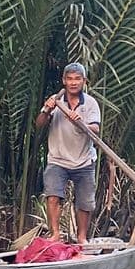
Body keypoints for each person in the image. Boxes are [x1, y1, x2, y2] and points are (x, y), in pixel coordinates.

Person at [36, 61, 101, 244]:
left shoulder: (90, 103)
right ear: (64, 80)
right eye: (70, 79)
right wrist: (47, 108)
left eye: (77, 79)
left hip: (84, 161)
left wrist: (81, 123)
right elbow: (39, 124)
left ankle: (82, 238)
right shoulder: (56, 100)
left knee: (85, 202)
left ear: (84, 81)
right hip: (57, 159)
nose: (73, 83)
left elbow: (95, 129)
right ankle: (55, 235)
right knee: (53, 196)